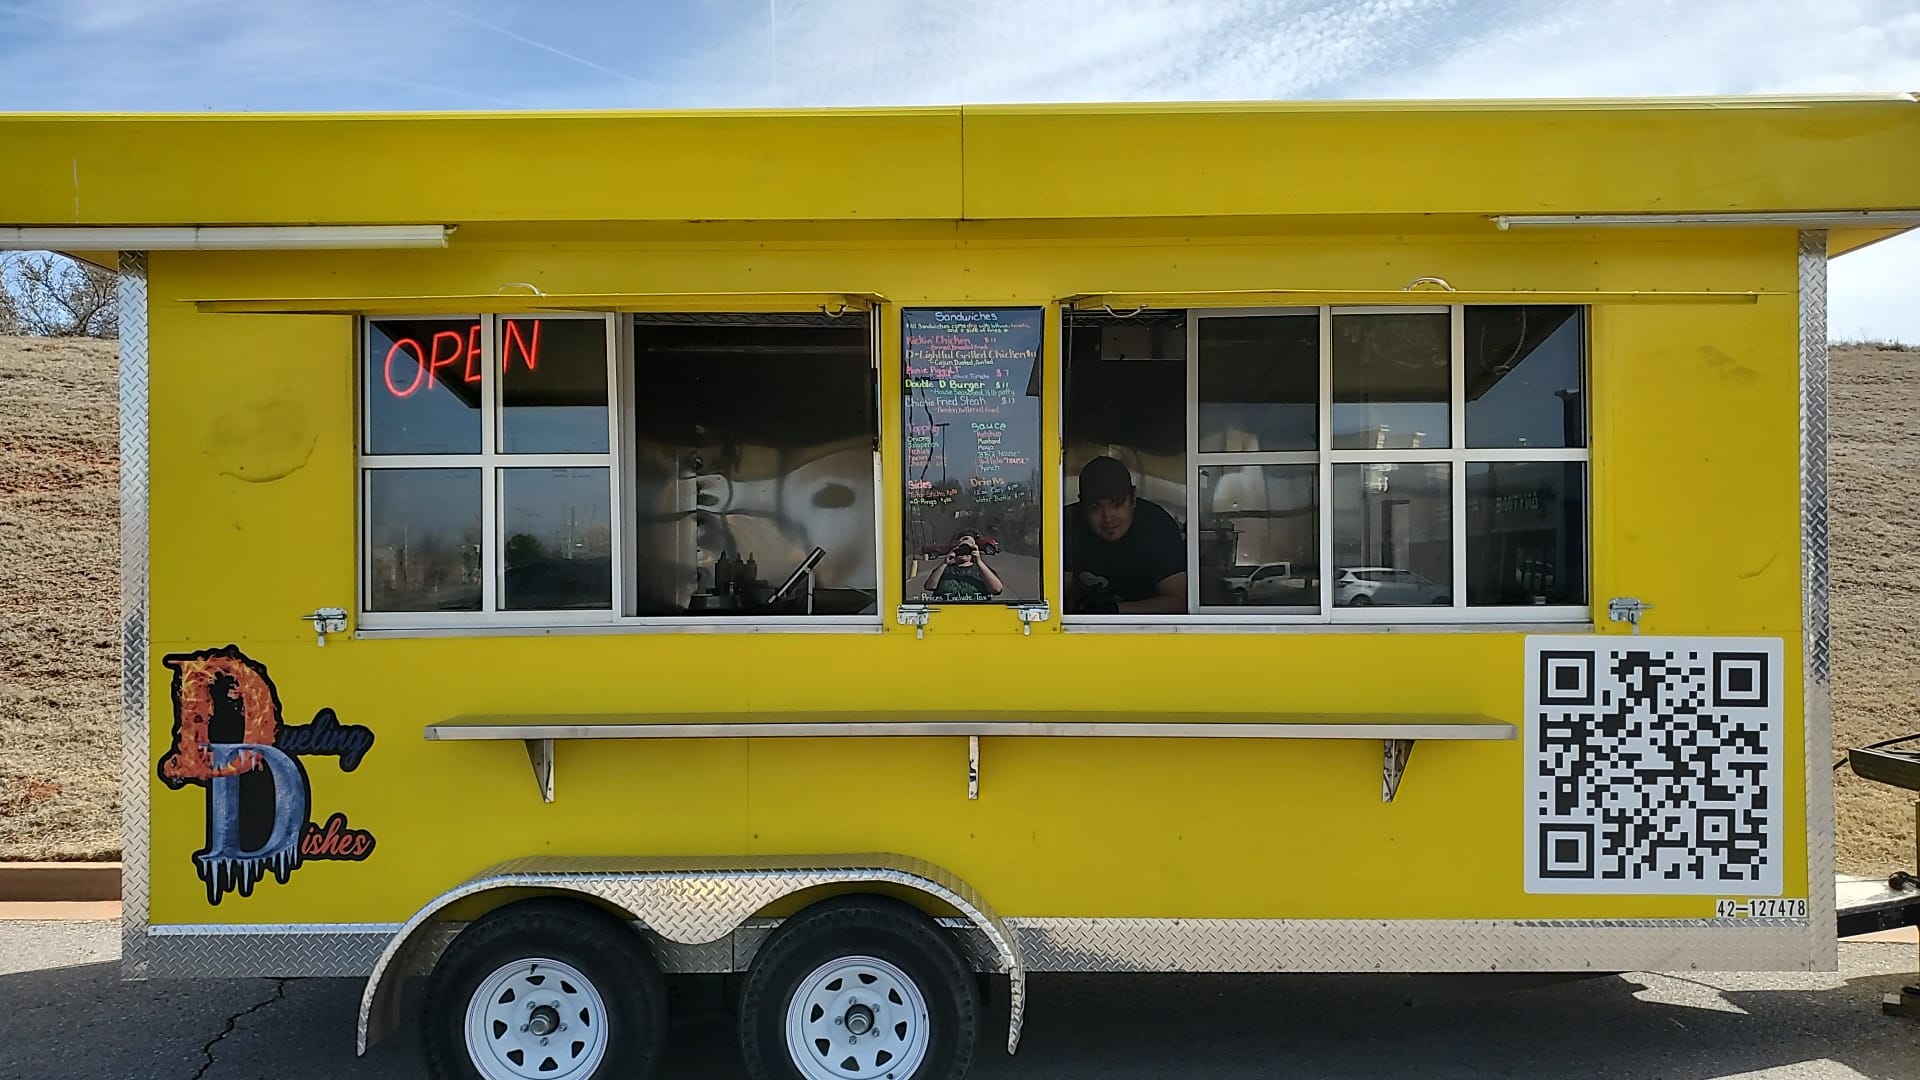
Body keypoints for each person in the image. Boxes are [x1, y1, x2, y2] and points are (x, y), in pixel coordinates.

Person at [1065, 456, 1188, 614]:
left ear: (1133, 498)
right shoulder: (1066, 525)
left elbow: (1179, 602)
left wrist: (1112, 612)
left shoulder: (1157, 525)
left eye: (1116, 504)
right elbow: (1055, 597)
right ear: (1082, 504)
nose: (1107, 518)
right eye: (1095, 507)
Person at [922, 529, 1004, 601]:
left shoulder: (983, 570)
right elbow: (929, 586)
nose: (963, 552)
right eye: (961, 549)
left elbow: (997, 589)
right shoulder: (944, 570)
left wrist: (979, 562)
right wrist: (945, 563)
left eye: (967, 549)